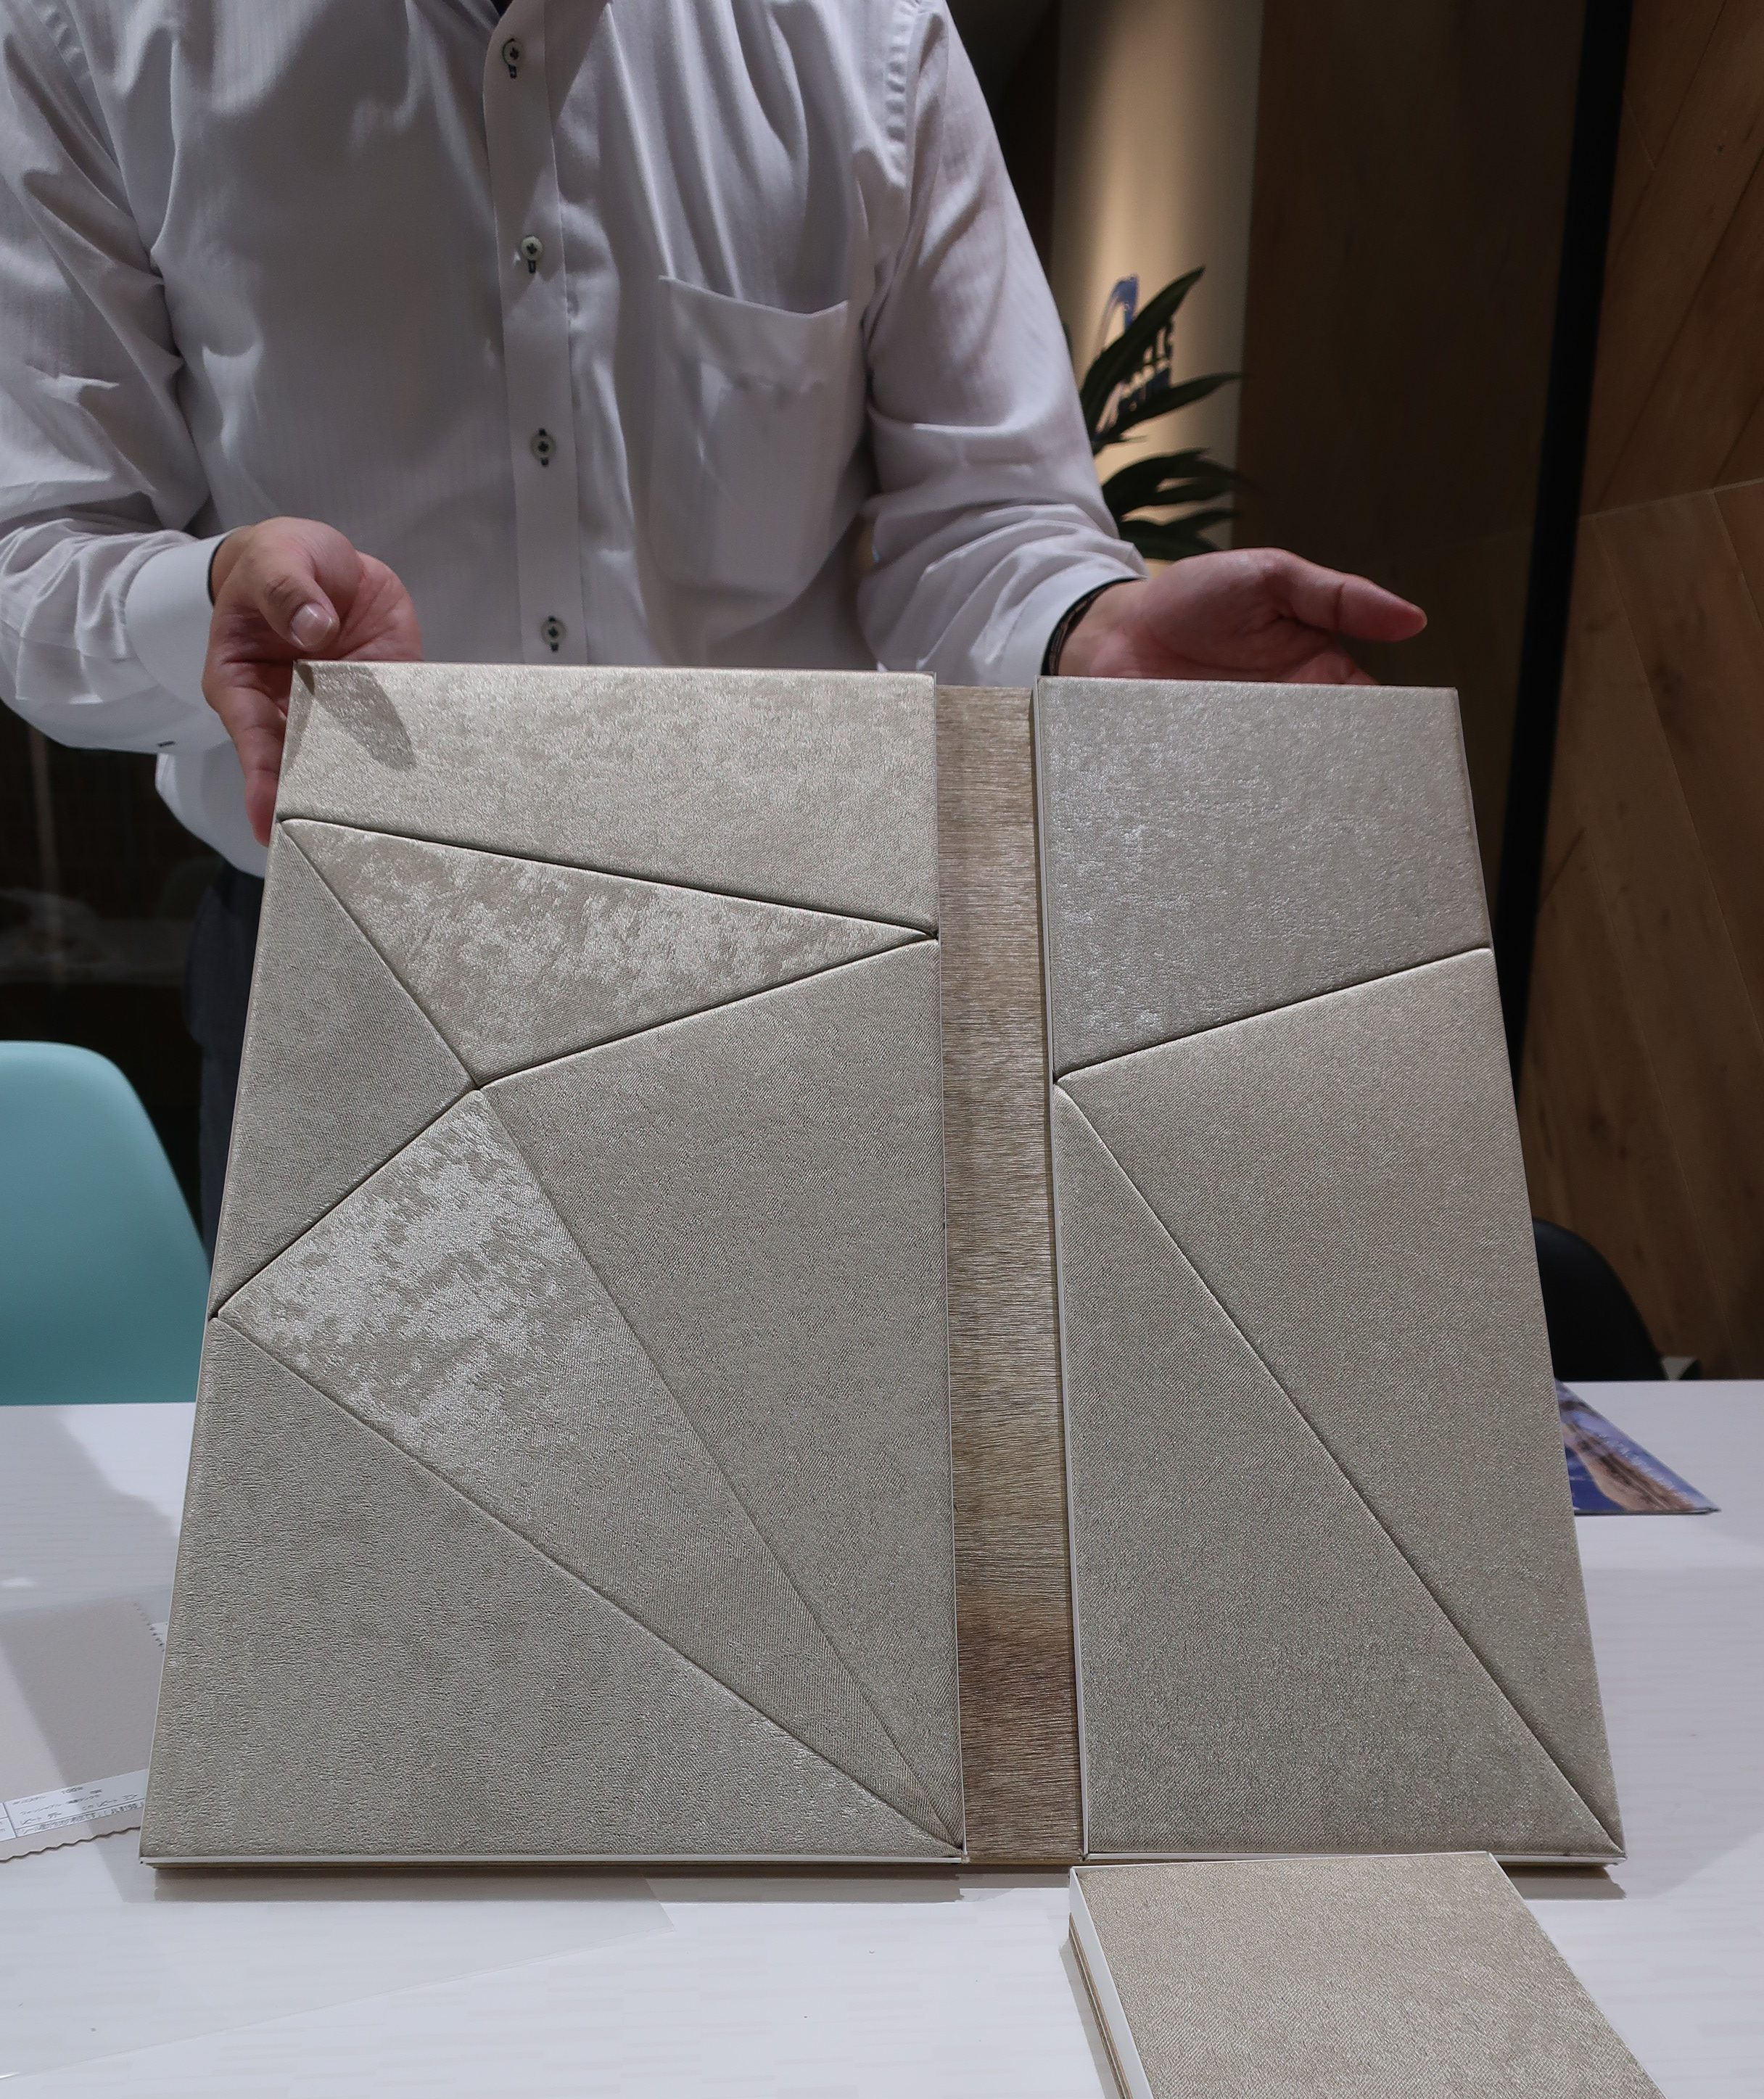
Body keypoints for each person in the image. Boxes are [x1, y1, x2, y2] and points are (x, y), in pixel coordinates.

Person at [0, 0, 1424, 1244]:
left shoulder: (862, 33)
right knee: (351, 1488)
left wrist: (1084, 627)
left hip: (792, 966)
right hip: (343, 977)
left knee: (823, 1474)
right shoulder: (93, 29)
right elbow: (38, 549)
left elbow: (984, 512)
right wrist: (202, 602)